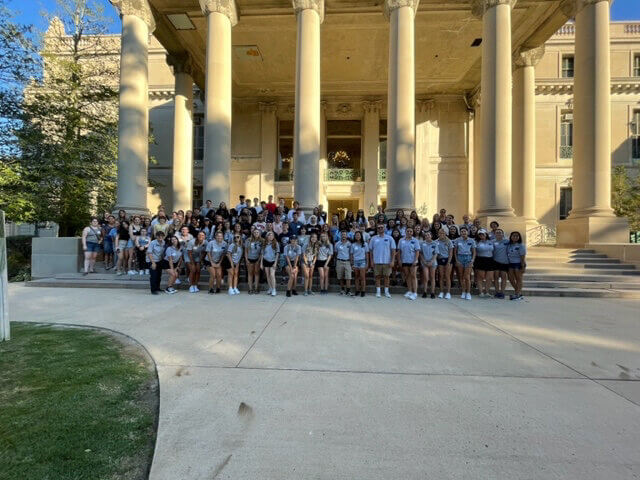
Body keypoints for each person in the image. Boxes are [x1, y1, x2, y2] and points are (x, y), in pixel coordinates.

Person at [369, 224, 396, 298]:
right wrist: (371, 261)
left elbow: (393, 250)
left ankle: (386, 292)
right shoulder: (373, 238)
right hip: (377, 261)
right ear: (377, 229)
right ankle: (378, 292)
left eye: (382, 227)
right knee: (377, 277)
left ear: (384, 228)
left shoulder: (390, 238)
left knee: (387, 277)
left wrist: (392, 261)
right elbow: (370, 251)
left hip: (387, 261)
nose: (380, 228)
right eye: (379, 228)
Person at [397, 227, 420, 300]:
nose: (409, 232)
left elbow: (417, 251)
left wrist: (415, 260)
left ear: (412, 232)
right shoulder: (401, 240)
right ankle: (410, 291)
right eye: (408, 231)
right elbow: (399, 251)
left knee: (413, 276)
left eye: (411, 231)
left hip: (413, 261)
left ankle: (415, 293)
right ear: (405, 232)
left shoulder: (415, 240)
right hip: (404, 261)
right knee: (407, 276)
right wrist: (399, 260)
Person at [454, 227, 476, 300]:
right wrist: (457, 260)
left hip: (468, 258)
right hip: (460, 258)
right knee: (461, 276)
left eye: (465, 231)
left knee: (466, 276)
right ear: (460, 233)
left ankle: (468, 292)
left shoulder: (471, 240)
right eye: (462, 231)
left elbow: (474, 251)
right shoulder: (457, 240)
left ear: (467, 232)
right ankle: (463, 292)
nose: (463, 233)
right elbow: (455, 251)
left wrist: (472, 260)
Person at [474, 229, 495, 297]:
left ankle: (487, 292)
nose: (481, 235)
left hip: (490, 260)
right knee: (480, 277)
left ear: (486, 234)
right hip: (480, 260)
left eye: (483, 234)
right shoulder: (476, 242)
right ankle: (481, 292)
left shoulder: (491, 242)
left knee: (490, 277)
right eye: (480, 234)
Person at [507, 231, 527, 300]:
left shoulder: (521, 245)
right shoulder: (509, 245)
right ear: (511, 237)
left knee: (519, 279)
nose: (515, 237)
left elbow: (523, 257)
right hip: (510, 263)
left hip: (518, 263)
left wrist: (523, 266)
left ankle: (517, 294)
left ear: (519, 237)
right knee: (510, 278)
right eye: (513, 236)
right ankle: (518, 291)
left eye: (517, 236)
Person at [147, 231, 167, 295]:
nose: (160, 237)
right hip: (152, 260)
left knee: (159, 276)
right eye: (159, 236)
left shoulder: (164, 242)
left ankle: (157, 288)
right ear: (156, 236)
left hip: (160, 261)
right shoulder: (152, 243)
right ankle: (153, 290)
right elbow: (149, 253)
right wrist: (153, 263)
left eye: (162, 236)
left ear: (163, 236)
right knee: (153, 276)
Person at [492, 229, 510, 299]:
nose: (498, 234)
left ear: (503, 234)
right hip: (495, 262)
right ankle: (497, 292)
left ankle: (502, 292)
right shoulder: (492, 241)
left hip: (504, 262)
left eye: (500, 232)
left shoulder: (507, 241)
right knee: (496, 277)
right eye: (497, 233)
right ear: (495, 234)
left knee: (503, 278)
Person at [435, 228, 453, 299]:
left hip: (448, 260)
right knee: (441, 276)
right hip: (440, 260)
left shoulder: (449, 241)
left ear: (445, 234)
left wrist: (448, 261)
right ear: (438, 234)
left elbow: (451, 253)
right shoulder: (436, 241)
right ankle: (441, 292)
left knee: (447, 276)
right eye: (440, 233)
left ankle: (448, 292)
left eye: (443, 233)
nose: (441, 234)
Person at [419, 230, 438, 298]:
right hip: (424, 262)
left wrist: (432, 261)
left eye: (429, 235)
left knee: (432, 277)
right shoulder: (422, 243)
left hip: (432, 263)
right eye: (426, 235)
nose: (427, 236)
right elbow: (420, 253)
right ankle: (425, 292)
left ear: (431, 236)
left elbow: (436, 253)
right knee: (426, 278)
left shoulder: (435, 243)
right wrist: (424, 261)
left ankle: (432, 292)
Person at [245, 228, 263, 294]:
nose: (256, 234)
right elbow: (246, 251)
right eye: (255, 232)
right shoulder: (248, 240)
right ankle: (250, 288)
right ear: (252, 233)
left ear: (259, 234)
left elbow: (262, 252)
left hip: (257, 259)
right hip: (250, 258)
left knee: (256, 273)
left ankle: (256, 288)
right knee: (250, 273)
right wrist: (246, 259)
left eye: (257, 232)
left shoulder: (262, 241)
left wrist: (259, 260)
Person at [261, 231, 279, 296]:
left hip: (273, 261)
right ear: (267, 236)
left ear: (273, 236)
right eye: (269, 235)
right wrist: (261, 263)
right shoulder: (264, 243)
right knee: (268, 276)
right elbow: (262, 254)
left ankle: (274, 289)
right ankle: (270, 288)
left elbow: (277, 253)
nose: (270, 237)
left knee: (272, 275)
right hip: (266, 260)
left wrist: (275, 263)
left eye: (272, 235)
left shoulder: (275, 243)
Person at [335, 231, 353, 296]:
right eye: (342, 234)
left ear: (346, 235)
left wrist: (351, 262)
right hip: (339, 261)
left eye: (345, 234)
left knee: (348, 277)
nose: (343, 236)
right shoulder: (337, 244)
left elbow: (351, 254)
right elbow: (336, 253)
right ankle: (342, 290)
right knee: (341, 277)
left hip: (347, 261)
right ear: (340, 235)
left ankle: (348, 291)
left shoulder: (349, 244)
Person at [351, 230, 369, 297]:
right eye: (356, 235)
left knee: (362, 277)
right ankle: (357, 290)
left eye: (358, 235)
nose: (357, 236)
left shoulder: (365, 244)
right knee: (356, 277)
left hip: (362, 261)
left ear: (361, 236)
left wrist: (367, 263)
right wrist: (352, 264)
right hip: (355, 262)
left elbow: (367, 254)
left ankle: (363, 291)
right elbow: (351, 255)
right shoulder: (353, 245)